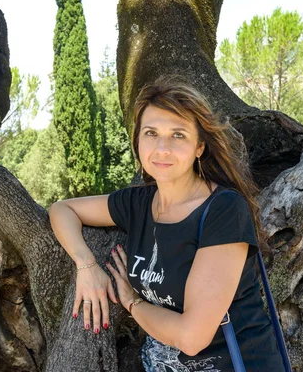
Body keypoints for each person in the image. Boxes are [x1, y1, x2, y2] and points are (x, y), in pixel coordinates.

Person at [49, 78, 285, 371]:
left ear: (199, 146)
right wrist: (86, 265)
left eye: (178, 135)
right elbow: (62, 209)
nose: (162, 148)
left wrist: (133, 303)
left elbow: (192, 337)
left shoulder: (223, 210)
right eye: (151, 133)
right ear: (137, 139)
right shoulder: (137, 204)